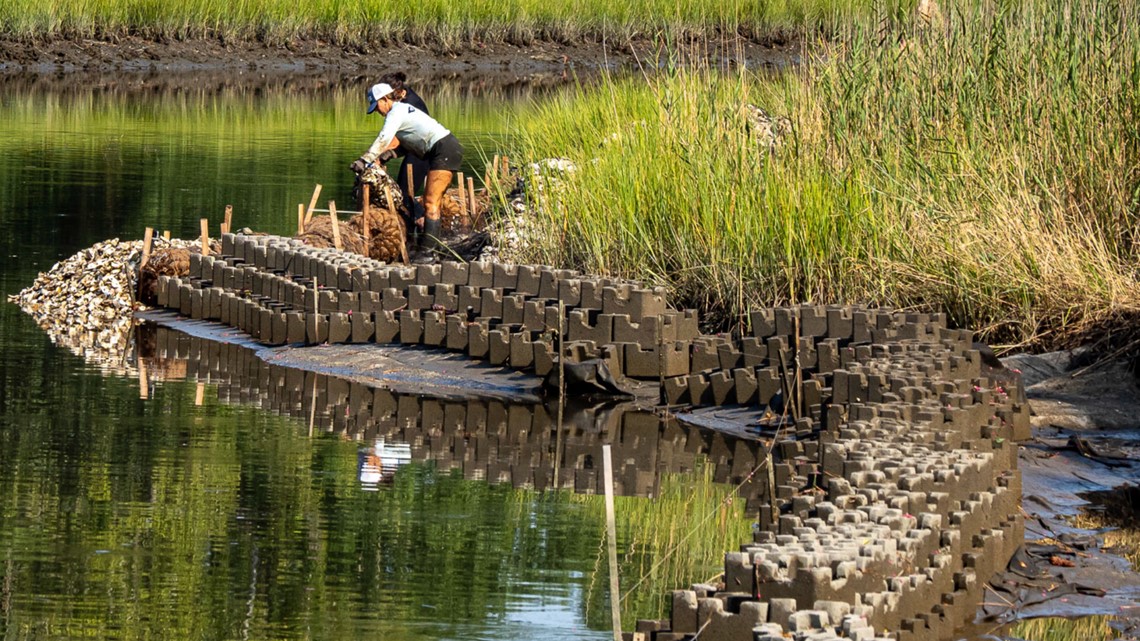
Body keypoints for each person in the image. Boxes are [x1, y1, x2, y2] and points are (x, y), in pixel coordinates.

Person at [350, 82, 463, 253]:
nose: (378, 112)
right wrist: (389, 155)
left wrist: (364, 160)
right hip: (442, 149)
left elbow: (384, 138)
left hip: (444, 149)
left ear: (385, 99)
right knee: (430, 201)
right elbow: (411, 142)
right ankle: (433, 247)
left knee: (431, 202)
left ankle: (428, 253)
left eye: (377, 106)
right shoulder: (404, 111)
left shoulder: (396, 112)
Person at [377, 72, 430, 228]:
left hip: (421, 153)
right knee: (403, 194)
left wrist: (378, 156)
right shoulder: (405, 98)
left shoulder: (408, 104)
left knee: (405, 196)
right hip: (416, 150)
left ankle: (425, 228)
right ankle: (416, 228)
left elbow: (394, 138)